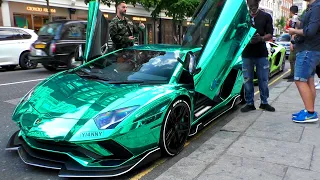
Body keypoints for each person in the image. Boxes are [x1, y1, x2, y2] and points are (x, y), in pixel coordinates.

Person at [288, 0, 320, 123]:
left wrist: (294, 31)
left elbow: (310, 31)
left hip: (308, 50)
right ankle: (309, 110)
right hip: (309, 49)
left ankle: (310, 113)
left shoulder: (317, 7)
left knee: (299, 79)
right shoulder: (312, 7)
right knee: (309, 80)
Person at [241, 0, 275, 113]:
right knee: (247, 80)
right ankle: (250, 103)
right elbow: (238, 33)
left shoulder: (266, 16)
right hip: (246, 54)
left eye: (254, 7)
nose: (252, 10)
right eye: (250, 7)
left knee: (263, 80)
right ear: (247, 6)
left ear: (258, 5)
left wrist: (260, 38)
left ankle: (264, 103)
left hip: (261, 53)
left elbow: (270, 34)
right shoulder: (243, 17)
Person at [283, 5, 299, 81]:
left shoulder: (295, 18)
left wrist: (292, 42)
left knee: (292, 58)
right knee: (292, 58)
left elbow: (295, 31)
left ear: (290, 11)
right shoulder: (296, 18)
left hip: (295, 41)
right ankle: (292, 74)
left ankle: (293, 75)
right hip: (295, 40)